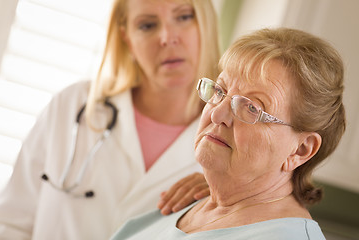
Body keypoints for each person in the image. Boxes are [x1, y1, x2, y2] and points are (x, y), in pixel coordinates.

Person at [0, 0, 219, 239]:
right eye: (147, 25)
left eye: (184, 17)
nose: (167, 37)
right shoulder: (74, 105)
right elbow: (11, 223)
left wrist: (223, 199)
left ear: (206, 24)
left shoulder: (228, 139)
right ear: (127, 39)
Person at [110, 27, 346, 239]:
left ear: (301, 149)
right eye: (219, 91)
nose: (216, 115)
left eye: (252, 107)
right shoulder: (186, 204)